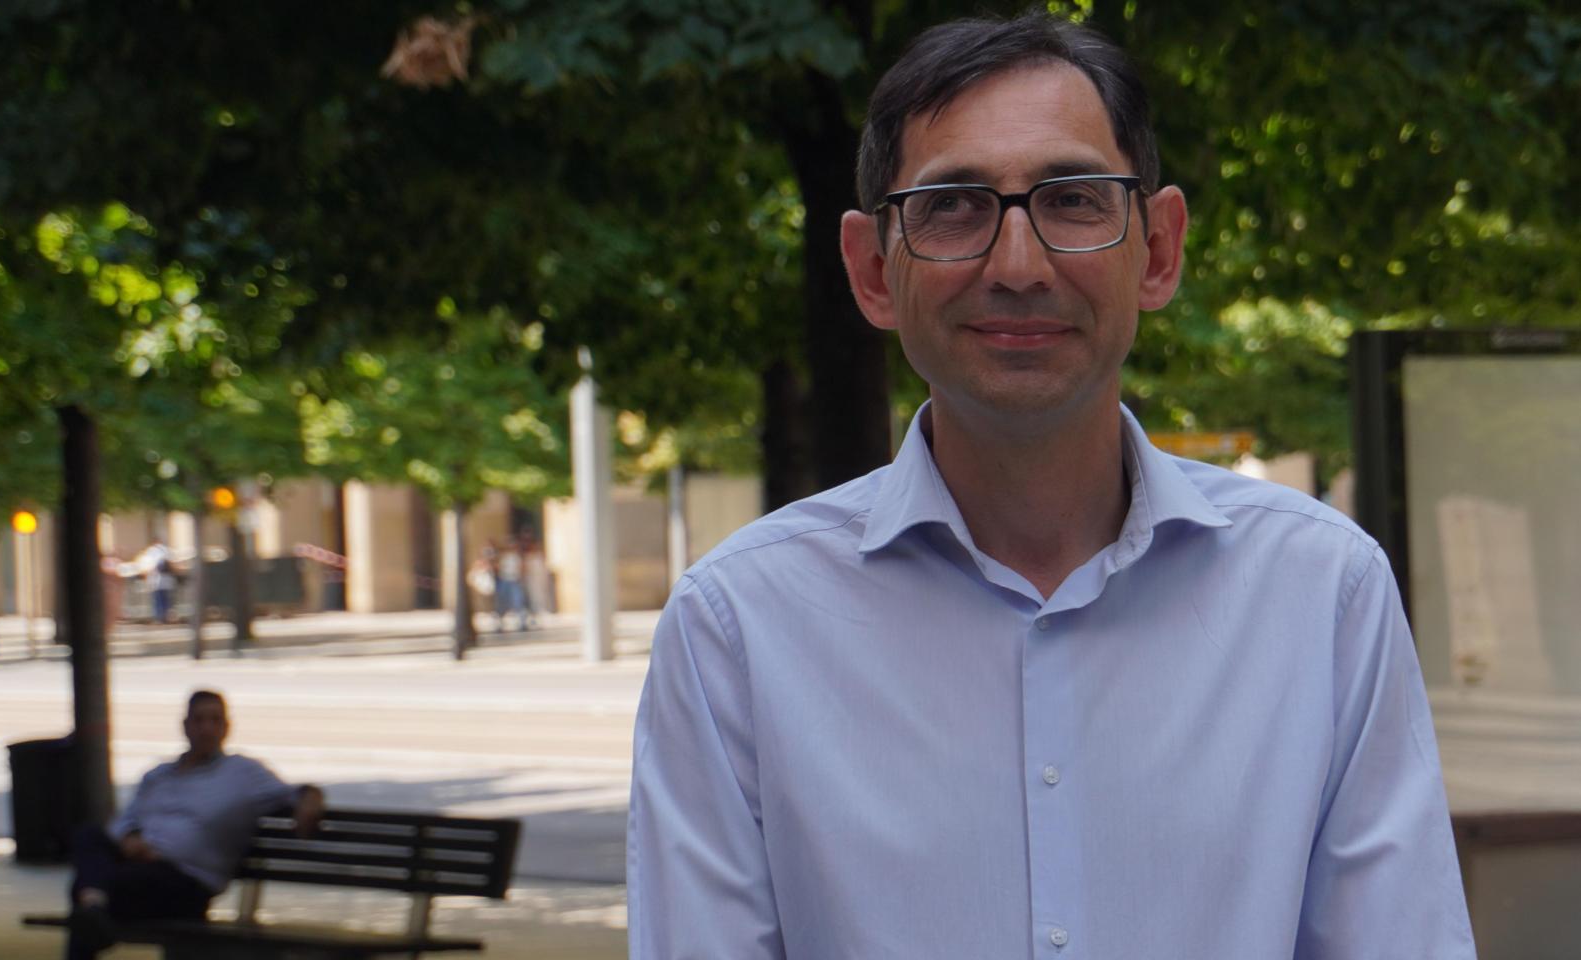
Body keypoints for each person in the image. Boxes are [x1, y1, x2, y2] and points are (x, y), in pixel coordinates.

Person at [628, 12, 1475, 960]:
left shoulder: (1324, 596)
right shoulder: (736, 630)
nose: (1019, 267)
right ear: (872, 270)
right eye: (953, 206)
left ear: (1157, 250)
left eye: (1073, 199)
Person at [65, 689, 325, 959]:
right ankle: (93, 908)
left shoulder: (244, 774)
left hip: (187, 882)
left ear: (226, 727)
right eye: (199, 720)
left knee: (87, 891)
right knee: (89, 836)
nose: (206, 729)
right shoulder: (158, 776)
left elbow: (294, 793)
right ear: (185, 726)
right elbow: (123, 822)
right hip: (140, 869)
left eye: (214, 721)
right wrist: (130, 838)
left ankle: (92, 908)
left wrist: (311, 798)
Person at [135, 538, 177, 624]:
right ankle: (166, 616)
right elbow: (172, 564)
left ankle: (159, 617)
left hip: (156, 579)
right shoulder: (166, 550)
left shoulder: (151, 551)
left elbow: (147, 565)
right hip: (166, 579)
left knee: (157, 599)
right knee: (166, 599)